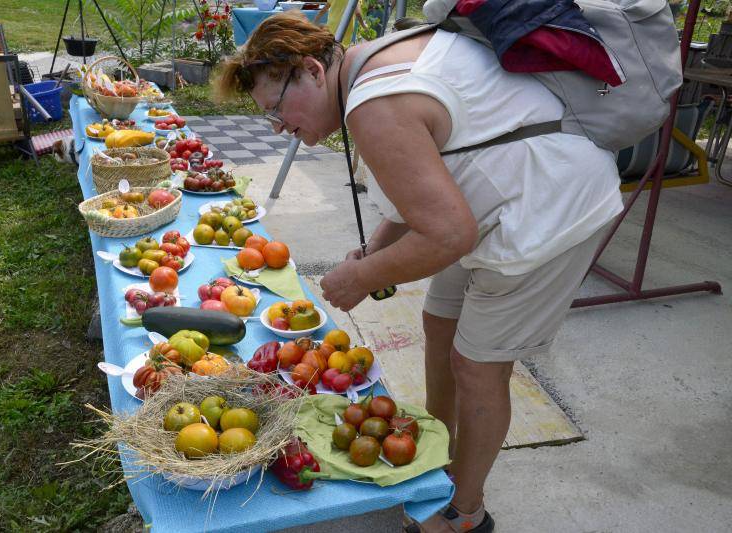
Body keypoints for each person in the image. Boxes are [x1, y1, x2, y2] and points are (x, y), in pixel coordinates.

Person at [215, 12, 622, 533]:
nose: (279, 126)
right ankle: (439, 452)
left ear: (314, 71)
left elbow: (449, 236)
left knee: (478, 365)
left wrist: (360, 279)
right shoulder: (372, 63)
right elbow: (422, 188)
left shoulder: (372, 104)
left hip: (549, 208)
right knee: (439, 321)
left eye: (276, 108)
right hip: (496, 202)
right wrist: (373, 252)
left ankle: (463, 512)